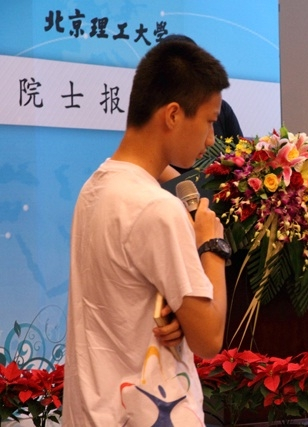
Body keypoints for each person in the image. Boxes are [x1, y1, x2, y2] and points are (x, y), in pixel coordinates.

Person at [64, 38, 231, 425]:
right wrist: (212, 244)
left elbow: (132, 299)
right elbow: (209, 339)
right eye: (209, 121)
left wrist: (177, 314)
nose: (211, 139)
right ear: (173, 115)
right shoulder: (158, 208)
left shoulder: (95, 187)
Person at [156, 34, 244, 183]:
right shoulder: (155, 112)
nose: (210, 141)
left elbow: (242, 154)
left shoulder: (221, 108)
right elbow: (150, 158)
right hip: (175, 192)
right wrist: (188, 190)